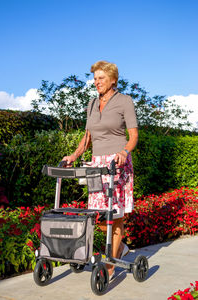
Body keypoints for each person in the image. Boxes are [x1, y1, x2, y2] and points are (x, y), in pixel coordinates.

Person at [62, 60, 138, 280]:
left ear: (113, 79)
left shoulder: (125, 101)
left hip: (117, 164)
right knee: (99, 218)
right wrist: (74, 155)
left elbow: (133, 136)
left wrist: (124, 152)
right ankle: (120, 248)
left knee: (114, 217)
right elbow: (87, 137)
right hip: (97, 166)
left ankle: (110, 265)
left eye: (101, 78)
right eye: (95, 78)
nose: (96, 82)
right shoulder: (92, 103)